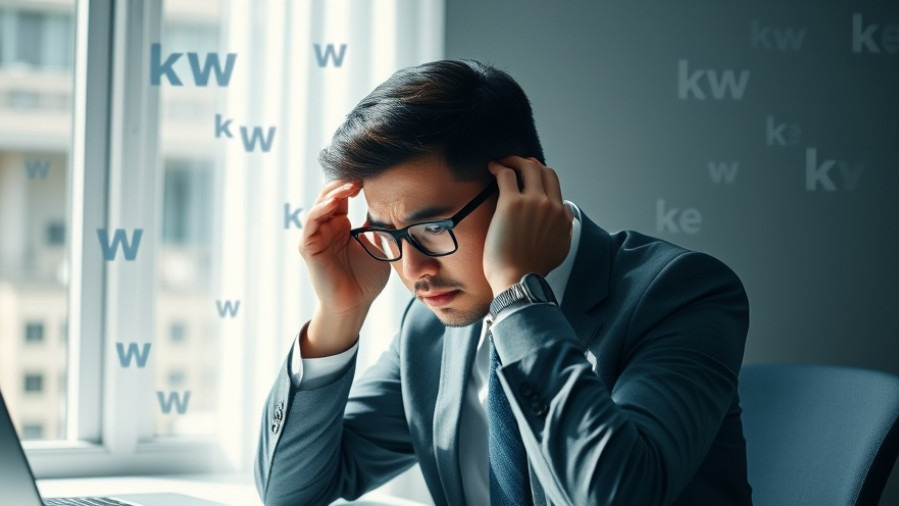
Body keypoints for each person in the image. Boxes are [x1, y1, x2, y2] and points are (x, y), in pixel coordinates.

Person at [254, 59, 753, 506]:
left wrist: (518, 297)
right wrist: (339, 315)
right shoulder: (428, 332)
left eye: (433, 228)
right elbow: (291, 491)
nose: (413, 271)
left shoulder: (681, 292)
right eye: (388, 236)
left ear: (522, 190)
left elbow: (616, 493)